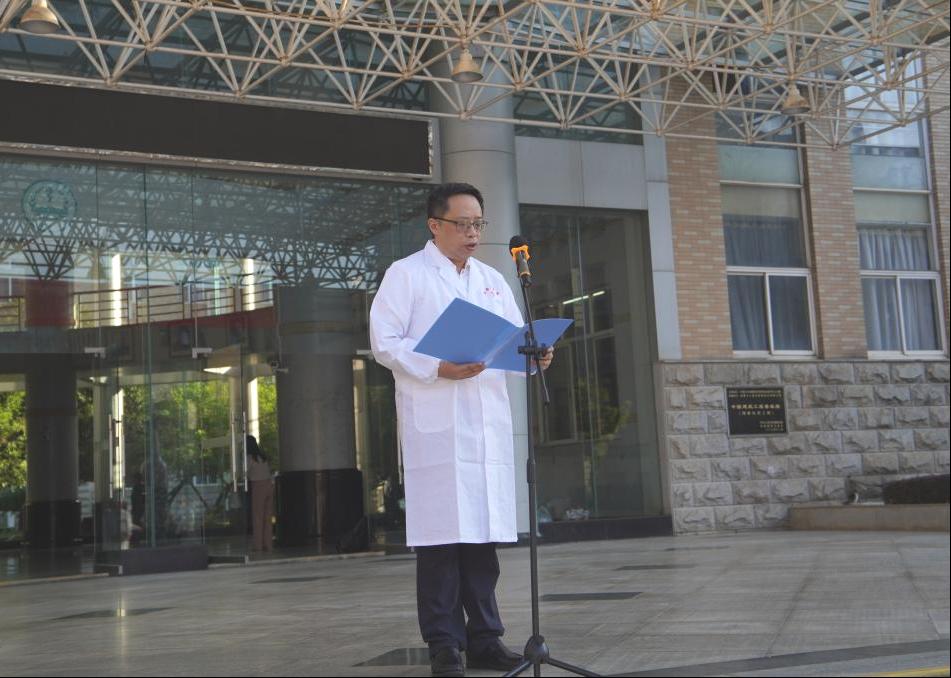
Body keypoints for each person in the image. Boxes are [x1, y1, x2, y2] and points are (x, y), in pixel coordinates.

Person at [369, 183, 554, 677]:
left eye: (478, 224)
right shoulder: (406, 274)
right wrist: (437, 366)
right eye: (463, 224)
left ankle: (486, 639)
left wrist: (535, 355)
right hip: (437, 426)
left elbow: (513, 343)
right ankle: (444, 645)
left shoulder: (492, 280)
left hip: (484, 424)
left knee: (481, 542)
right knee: (440, 543)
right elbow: (384, 342)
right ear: (435, 225)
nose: (473, 233)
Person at [246, 435, 274, 553]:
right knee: (267, 517)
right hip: (269, 485)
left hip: (258, 486)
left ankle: (258, 545)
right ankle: (268, 544)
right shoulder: (262, 457)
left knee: (258, 516)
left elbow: (245, 472)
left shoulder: (249, 458)